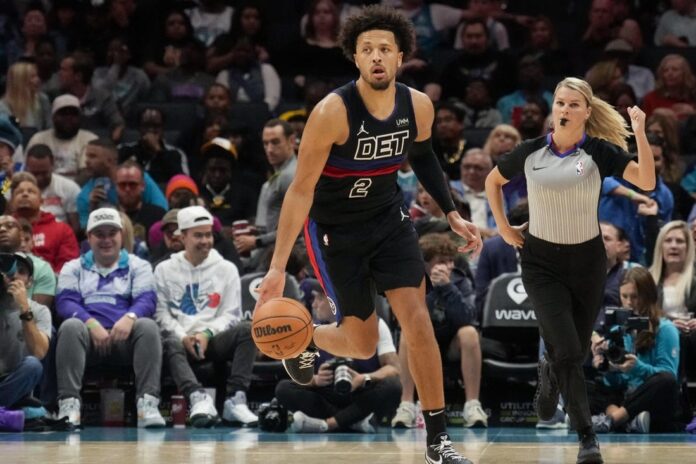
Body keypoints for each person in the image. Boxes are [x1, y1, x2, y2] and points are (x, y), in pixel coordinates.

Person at [254, 7, 481, 464]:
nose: (376, 57)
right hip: (336, 233)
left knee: (416, 318)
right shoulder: (331, 112)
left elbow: (425, 157)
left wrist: (453, 214)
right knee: (360, 343)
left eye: (384, 49)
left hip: (388, 221)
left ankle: (437, 440)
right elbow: (300, 191)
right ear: (355, 58)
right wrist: (277, 268)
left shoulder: (418, 105)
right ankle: (304, 338)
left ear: (400, 57)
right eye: (367, 50)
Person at [485, 76, 655, 464]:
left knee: (571, 354)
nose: (564, 109)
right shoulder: (530, 151)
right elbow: (493, 182)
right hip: (541, 263)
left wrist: (641, 133)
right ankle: (586, 438)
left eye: (573, 104)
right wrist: (505, 229)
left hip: (588, 263)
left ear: (587, 112)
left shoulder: (598, 152)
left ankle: (548, 372)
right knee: (566, 349)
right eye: (560, 103)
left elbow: (646, 180)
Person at [55, 208, 165, 428]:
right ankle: (69, 404)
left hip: (124, 340)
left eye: (112, 233)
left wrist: (130, 317)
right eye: (99, 234)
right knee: (70, 326)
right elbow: (65, 302)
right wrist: (90, 323)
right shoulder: (73, 267)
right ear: (89, 238)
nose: (106, 240)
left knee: (147, 326)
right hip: (87, 340)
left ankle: (148, 404)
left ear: (121, 235)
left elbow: (147, 300)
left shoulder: (138, 265)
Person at [154, 206, 257, 428]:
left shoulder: (227, 269)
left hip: (214, 339)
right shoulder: (163, 270)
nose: (205, 241)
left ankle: (235, 399)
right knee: (169, 341)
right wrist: (184, 336)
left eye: (208, 235)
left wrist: (207, 333)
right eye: (198, 235)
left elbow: (232, 314)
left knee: (247, 329)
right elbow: (161, 314)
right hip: (180, 341)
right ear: (182, 237)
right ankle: (197, 398)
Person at [276, 278, 401, 433]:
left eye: (319, 299)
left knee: (393, 385)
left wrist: (364, 378)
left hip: (360, 393)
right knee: (283, 388)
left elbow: (394, 369)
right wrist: (315, 380)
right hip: (328, 396)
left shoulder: (376, 325)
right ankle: (353, 421)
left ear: (334, 302)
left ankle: (329, 424)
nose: (314, 304)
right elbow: (298, 374)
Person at [393, 233, 487, 429]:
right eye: (442, 261)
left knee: (469, 333)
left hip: (452, 344)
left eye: (451, 261)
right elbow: (407, 316)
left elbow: (469, 317)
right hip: (423, 344)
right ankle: (406, 405)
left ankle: (472, 405)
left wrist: (447, 288)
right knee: (407, 334)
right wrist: (431, 289)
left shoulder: (460, 281)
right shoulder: (412, 281)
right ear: (426, 264)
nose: (449, 266)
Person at [589, 267, 680, 433]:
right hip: (628, 398)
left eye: (635, 296)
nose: (629, 302)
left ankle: (613, 419)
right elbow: (619, 382)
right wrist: (607, 367)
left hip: (653, 400)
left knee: (666, 380)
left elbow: (668, 374)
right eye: (624, 296)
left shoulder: (666, 329)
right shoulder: (620, 329)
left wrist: (637, 368)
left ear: (648, 296)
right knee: (584, 383)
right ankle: (629, 421)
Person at [0, 252, 51, 409]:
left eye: (21, 271)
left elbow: (39, 352)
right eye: (9, 269)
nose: (14, 275)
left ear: (29, 282)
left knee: (33, 365)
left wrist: (24, 308)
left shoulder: (40, 311)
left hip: (16, 380)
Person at [10, 174, 79, 274]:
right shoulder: (3, 229)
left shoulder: (62, 230)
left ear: (41, 201)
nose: (25, 194)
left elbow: (68, 266)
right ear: (11, 202)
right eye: (19, 192)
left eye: (31, 191)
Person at [0, 215, 55, 309]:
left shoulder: (42, 268)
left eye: (9, 226)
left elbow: (38, 314)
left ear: (21, 234)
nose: (2, 229)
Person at [24, 144, 81, 234]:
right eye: (35, 173)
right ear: (27, 166)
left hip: (59, 236)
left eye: (44, 173)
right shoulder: (11, 183)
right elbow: (2, 193)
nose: (39, 178)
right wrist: (7, 178)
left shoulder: (70, 187)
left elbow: (76, 228)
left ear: (52, 165)